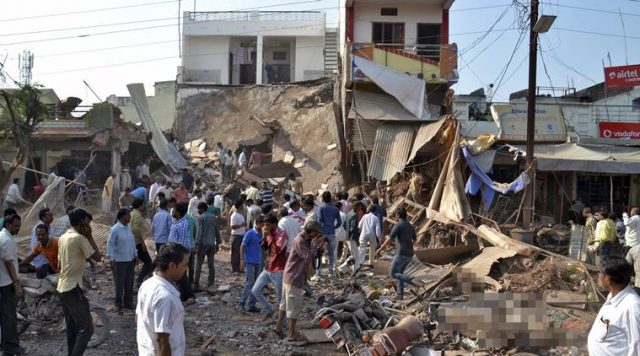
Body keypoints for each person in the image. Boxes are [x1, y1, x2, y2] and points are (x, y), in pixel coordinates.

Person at [58, 208, 102, 356]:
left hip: (63, 287)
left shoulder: (64, 237)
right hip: (73, 288)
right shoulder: (79, 238)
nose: (89, 226)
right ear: (82, 222)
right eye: (88, 223)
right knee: (87, 328)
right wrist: (90, 236)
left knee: (73, 328)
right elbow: (98, 256)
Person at [274, 221, 325, 341]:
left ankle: (278, 327)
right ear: (311, 232)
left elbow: (311, 256)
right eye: (316, 233)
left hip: (291, 275)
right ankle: (291, 333)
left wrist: (319, 248)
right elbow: (307, 258)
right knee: (293, 306)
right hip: (294, 276)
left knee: (285, 304)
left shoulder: (305, 239)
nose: (317, 235)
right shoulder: (300, 240)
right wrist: (314, 245)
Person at [136, 243, 189, 356]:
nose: (186, 269)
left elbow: (138, 317)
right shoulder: (165, 297)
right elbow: (162, 341)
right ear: (172, 266)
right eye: (184, 265)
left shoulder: (147, 284)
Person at [587, 256, 640, 355]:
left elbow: (637, 346)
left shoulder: (632, 306)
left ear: (608, 279)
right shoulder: (613, 297)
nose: (599, 277)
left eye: (600, 274)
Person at [376, 208, 417, 300]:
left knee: (393, 273)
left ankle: (412, 280)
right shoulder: (410, 226)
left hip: (401, 253)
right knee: (400, 274)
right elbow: (415, 240)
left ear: (398, 216)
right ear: (406, 215)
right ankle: (399, 295)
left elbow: (389, 239)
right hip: (410, 254)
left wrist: (380, 249)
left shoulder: (398, 225)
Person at [253, 214, 288, 317]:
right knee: (255, 290)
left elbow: (277, 250)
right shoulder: (269, 233)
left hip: (278, 269)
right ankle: (270, 310)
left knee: (279, 297)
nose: (266, 227)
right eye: (264, 225)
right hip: (269, 267)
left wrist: (269, 236)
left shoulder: (282, 234)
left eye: (268, 225)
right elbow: (264, 247)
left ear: (274, 224)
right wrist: (264, 236)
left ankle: (282, 321)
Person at [0, 214, 25, 356]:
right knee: (9, 316)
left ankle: (5, 344)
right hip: (6, 283)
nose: (19, 229)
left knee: (4, 316)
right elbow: (9, 263)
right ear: (8, 225)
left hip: (2, 282)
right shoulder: (6, 240)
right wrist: (16, 283)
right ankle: (11, 347)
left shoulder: (2, 237)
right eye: (16, 226)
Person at [107, 208, 137, 311]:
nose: (130, 217)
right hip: (119, 260)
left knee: (129, 282)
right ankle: (118, 303)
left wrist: (135, 255)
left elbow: (132, 243)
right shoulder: (115, 229)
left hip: (130, 259)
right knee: (119, 284)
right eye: (128, 215)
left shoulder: (128, 227)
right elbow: (110, 244)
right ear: (123, 216)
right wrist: (111, 259)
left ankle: (128, 302)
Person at [168, 203, 195, 301]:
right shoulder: (178, 222)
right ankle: (186, 294)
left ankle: (187, 294)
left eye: (174, 210)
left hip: (179, 252)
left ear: (178, 213)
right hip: (179, 251)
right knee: (181, 275)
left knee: (180, 275)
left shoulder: (181, 224)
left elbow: (179, 241)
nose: (172, 212)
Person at [194, 202, 221, 291]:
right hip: (211, 244)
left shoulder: (201, 218)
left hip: (203, 244)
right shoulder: (213, 217)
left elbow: (199, 232)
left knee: (199, 264)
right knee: (211, 264)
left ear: (203, 209)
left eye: (199, 209)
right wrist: (218, 242)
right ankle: (211, 283)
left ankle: (196, 284)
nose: (198, 211)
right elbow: (217, 230)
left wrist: (196, 244)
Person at [240, 216, 264, 313]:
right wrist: (242, 259)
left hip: (258, 261)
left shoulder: (261, 234)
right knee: (250, 283)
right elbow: (242, 246)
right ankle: (242, 303)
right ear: (258, 223)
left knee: (256, 284)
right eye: (263, 223)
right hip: (249, 261)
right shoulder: (250, 233)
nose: (264, 225)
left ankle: (251, 305)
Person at [315, 191, 342, 278]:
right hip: (331, 233)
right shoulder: (335, 209)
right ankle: (331, 273)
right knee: (331, 254)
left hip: (322, 233)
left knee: (319, 253)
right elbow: (339, 222)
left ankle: (318, 273)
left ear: (323, 198)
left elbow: (319, 221)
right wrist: (334, 227)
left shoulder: (321, 208)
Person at [131, 199, 153, 287]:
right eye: (143, 205)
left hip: (133, 242)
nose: (143, 207)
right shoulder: (137, 216)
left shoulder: (133, 213)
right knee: (148, 261)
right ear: (140, 206)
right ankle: (139, 280)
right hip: (137, 242)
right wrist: (142, 242)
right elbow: (135, 229)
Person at [29, 208, 54, 272]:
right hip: (41, 262)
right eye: (50, 216)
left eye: (52, 215)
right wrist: (37, 264)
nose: (52, 217)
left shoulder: (48, 227)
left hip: (48, 260)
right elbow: (34, 245)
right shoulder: (38, 229)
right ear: (43, 217)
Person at [230, 200, 247, 273]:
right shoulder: (234, 215)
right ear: (240, 206)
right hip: (236, 236)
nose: (243, 206)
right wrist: (241, 225)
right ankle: (235, 269)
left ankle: (240, 268)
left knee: (241, 253)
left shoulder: (241, 214)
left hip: (242, 235)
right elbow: (232, 226)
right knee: (235, 253)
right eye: (242, 205)